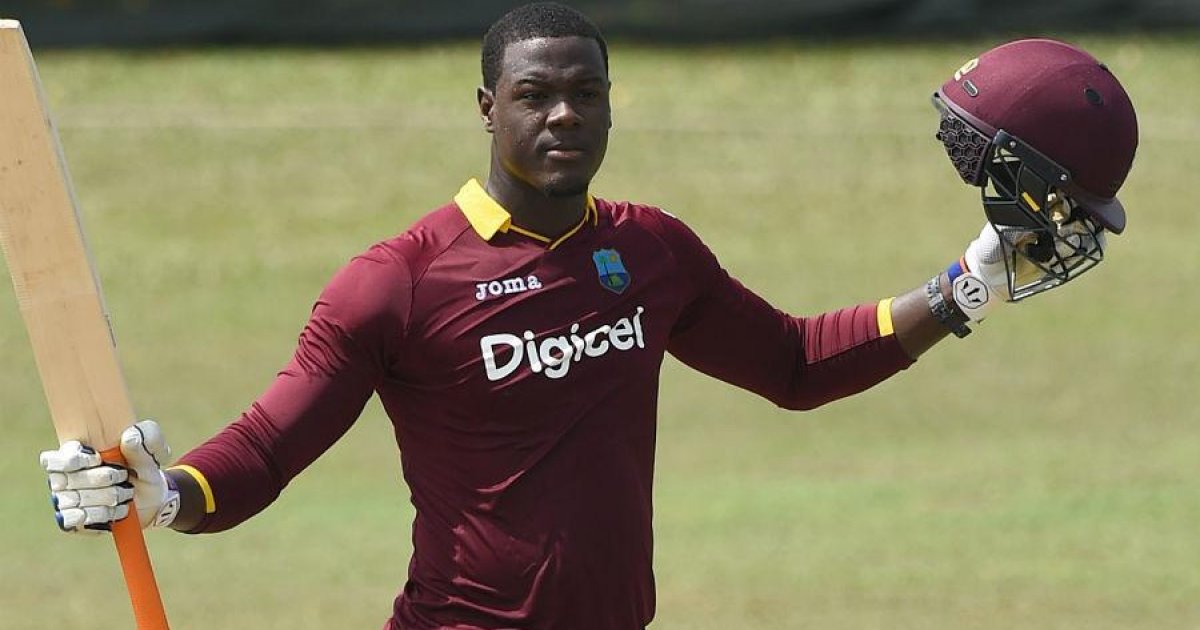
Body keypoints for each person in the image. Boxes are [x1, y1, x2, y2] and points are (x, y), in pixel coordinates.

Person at [38, 4, 1137, 629]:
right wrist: (165, 495)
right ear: (487, 109)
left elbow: (797, 364)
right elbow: (270, 447)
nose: (565, 115)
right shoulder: (398, 282)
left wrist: (964, 286)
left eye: (587, 94)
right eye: (536, 95)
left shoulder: (650, 252)